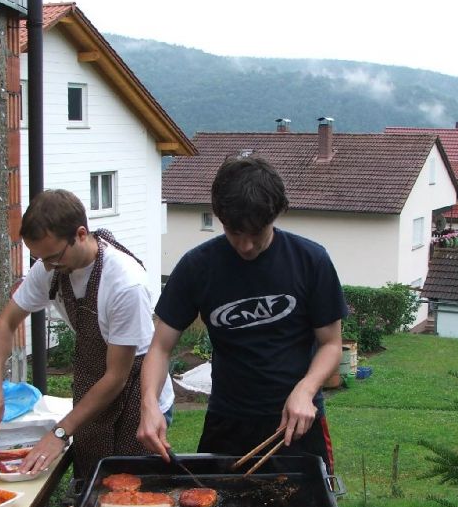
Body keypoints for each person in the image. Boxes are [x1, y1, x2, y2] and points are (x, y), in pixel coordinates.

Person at [137, 156, 347, 473]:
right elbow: (160, 347)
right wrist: (149, 403)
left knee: (309, 505)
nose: (245, 246)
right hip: (227, 421)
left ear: (276, 214)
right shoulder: (197, 267)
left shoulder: (311, 260)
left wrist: (306, 390)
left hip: (297, 420)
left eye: (256, 232)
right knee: (213, 502)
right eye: (234, 232)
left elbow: (331, 344)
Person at [0, 189, 174, 481]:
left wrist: (60, 432)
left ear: (81, 234)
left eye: (53, 258)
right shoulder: (50, 265)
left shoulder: (125, 284)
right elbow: (6, 323)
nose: (47, 267)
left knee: (128, 490)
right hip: (95, 382)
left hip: (137, 388)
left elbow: (116, 377)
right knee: (90, 482)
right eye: (39, 258)